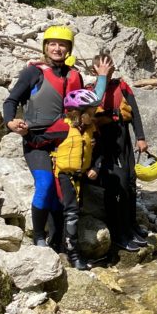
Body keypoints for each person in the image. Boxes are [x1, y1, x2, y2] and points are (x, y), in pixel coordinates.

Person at [3, 25, 109, 250]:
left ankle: (59, 241)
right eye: (52, 44)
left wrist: (102, 78)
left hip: (66, 139)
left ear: (69, 49)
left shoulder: (74, 75)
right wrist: (10, 122)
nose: (57, 49)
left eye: (62, 45)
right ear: (45, 47)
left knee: (63, 192)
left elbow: (87, 103)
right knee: (45, 184)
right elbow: (11, 100)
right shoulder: (33, 72)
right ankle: (39, 237)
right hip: (37, 140)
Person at [30, 89, 103, 270]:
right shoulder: (63, 127)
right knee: (72, 213)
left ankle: (63, 248)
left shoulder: (90, 129)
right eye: (90, 113)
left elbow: (99, 151)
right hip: (64, 175)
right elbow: (39, 141)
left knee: (73, 212)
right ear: (77, 113)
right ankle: (74, 256)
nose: (93, 116)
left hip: (80, 177)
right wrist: (25, 133)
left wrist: (95, 167)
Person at [92, 53, 149, 252]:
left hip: (123, 139)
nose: (108, 72)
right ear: (95, 70)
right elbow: (90, 116)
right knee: (118, 186)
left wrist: (140, 137)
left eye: (110, 68)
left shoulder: (122, 87)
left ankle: (131, 226)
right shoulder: (91, 91)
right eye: (103, 68)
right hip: (106, 143)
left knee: (131, 182)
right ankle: (119, 233)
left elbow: (135, 113)